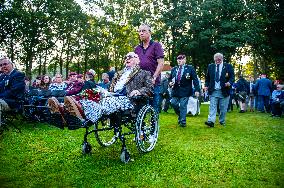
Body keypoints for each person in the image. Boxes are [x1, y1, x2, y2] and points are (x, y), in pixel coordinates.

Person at [48, 52, 153, 123]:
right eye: (126, 57)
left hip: (127, 98)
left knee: (99, 99)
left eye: (130, 56)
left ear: (137, 60)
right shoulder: (119, 73)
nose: (127, 58)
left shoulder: (144, 73)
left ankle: (76, 113)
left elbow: (150, 88)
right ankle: (64, 108)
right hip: (110, 94)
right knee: (90, 92)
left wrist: (138, 91)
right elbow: (110, 88)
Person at [134, 23, 164, 112]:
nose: (141, 33)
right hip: (140, 85)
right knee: (140, 110)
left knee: (153, 110)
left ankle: (154, 126)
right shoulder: (137, 49)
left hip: (154, 84)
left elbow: (161, 63)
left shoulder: (156, 45)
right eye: (139, 31)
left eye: (143, 31)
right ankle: (141, 126)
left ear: (150, 32)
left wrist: (154, 77)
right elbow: (135, 66)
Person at [168, 54, 200, 127]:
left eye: (181, 59)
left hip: (185, 91)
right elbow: (169, 79)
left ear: (185, 60)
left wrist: (197, 90)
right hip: (175, 91)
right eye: (178, 59)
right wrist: (170, 83)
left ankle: (183, 122)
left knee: (183, 105)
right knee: (173, 103)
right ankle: (181, 115)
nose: (179, 61)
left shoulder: (190, 68)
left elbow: (195, 80)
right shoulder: (174, 69)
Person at [204, 53, 235, 127]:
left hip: (224, 91)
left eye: (219, 60)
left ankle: (222, 120)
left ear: (222, 59)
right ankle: (211, 121)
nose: (217, 61)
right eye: (216, 60)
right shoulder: (211, 66)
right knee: (212, 106)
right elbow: (207, 78)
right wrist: (206, 86)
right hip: (213, 90)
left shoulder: (228, 66)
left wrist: (229, 83)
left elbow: (232, 77)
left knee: (223, 108)